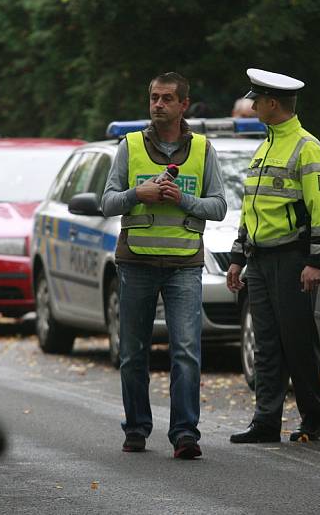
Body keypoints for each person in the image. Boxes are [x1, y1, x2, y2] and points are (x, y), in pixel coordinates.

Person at [101, 72, 227, 459]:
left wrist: (182, 201)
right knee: (133, 351)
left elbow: (219, 207)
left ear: (183, 105)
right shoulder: (130, 145)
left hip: (184, 266)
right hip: (136, 262)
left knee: (186, 351)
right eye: (154, 97)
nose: (158, 104)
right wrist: (139, 193)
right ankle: (136, 428)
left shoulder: (204, 150)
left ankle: (185, 433)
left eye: (167, 98)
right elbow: (107, 203)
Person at [226, 68, 320, 444]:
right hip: (259, 260)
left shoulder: (307, 147)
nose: (252, 105)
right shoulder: (266, 145)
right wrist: (238, 257)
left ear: (272, 103)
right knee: (266, 343)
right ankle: (266, 421)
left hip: (292, 259)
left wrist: (316, 262)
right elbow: (250, 210)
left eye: (256, 100)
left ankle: (313, 418)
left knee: (297, 342)